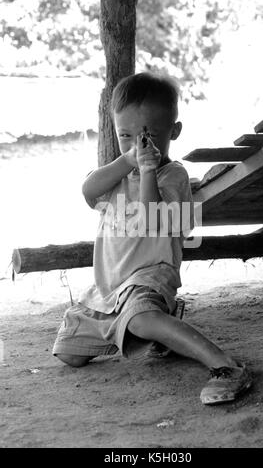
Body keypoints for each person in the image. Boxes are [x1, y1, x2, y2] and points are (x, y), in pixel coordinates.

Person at [52, 72, 252, 405]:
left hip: (150, 277)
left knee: (142, 318)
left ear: (173, 132)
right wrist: (127, 162)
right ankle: (162, 331)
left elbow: (151, 220)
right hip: (110, 288)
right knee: (69, 353)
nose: (137, 145)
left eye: (148, 135)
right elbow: (88, 191)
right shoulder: (117, 173)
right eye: (125, 135)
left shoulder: (173, 176)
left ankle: (227, 366)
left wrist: (146, 171)